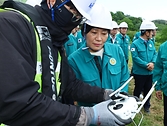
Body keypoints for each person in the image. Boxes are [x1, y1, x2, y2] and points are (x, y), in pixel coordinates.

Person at [0, 0, 130, 125]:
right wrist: (87, 115)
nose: (74, 18)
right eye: (72, 9)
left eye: (79, 16)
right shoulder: (11, 26)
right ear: (52, 1)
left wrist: (106, 94)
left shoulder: (51, 39)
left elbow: (69, 84)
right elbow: (15, 102)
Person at [68, 4, 130, 107]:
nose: (99, 38)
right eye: (94, 32)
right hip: (92, 117)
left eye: (104, 33)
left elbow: (124, 77)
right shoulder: (74, 60)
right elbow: (75, 91)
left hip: (116, 111)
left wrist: (121, 96)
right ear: (84, 32)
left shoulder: (116, 51)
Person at [130, 20, 157, 113]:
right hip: (140, 73)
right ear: (146, 32)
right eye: (151, 31)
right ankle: (134, 105)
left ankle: (146, 106)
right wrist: (146, 65)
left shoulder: (151, 42)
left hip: (150, 73)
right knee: (138, 90)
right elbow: (135, 58)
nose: (153, 33)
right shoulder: (135, 43)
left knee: (148, 90)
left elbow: (155, 53)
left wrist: (153, 63)